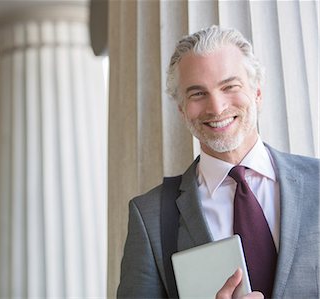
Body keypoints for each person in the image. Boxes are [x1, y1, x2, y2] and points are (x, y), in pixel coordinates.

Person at [117, 25, 319, 298]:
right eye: (198, 93)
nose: (216, 107)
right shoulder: (149, 216)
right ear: (181, 109)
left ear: (257, 93)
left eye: (230, 86)